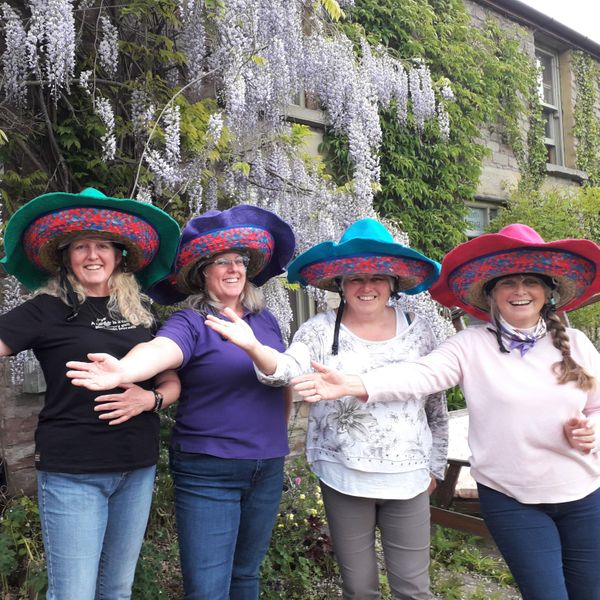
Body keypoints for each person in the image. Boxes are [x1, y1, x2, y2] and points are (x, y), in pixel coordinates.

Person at [291, 224, 600, 600]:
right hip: (512, 496)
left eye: (530, 281)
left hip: (584, 493)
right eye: (507, 283)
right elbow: (419, 376)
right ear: (491, 294)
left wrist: (592, 430)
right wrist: (353, 384)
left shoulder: (577, 344)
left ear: (547, 292)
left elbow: (597, 407)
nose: (520, 291)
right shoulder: (471, 345)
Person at [202, 218, 448, 600]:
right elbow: (285, 370)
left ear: (393, 284)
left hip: (408, 476)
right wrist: (253, 346)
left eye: (377, 278)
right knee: (358, 589)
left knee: (414, 590)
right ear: (341, 285)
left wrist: (436, 465)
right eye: (355, 278)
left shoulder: (420, 331)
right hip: (343, 474)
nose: (367, 288)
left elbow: (436, 403)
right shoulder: (318, 330)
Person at [65, 204, 296, 600]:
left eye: (239, 260)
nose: (233, 269)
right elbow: (163, 350)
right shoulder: (190, 322)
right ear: (202, 272)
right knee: (208, 589)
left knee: (246, 576)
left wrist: (281, 435)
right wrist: (124, 371)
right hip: (209, 470)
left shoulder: (266, 320)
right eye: (220, 262)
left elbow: (284, 376)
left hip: (267, 467)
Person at [0, 187, 181, 600]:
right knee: (74, 593)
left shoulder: (141, 314)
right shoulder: (46, 309)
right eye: (80, 246)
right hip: (72, 471)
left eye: (102, 245)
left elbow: (171, 382)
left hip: (136, 466)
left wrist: (149, 399)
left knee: (116, 590)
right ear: (66, 258)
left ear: (120, 255)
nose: (92, 255)